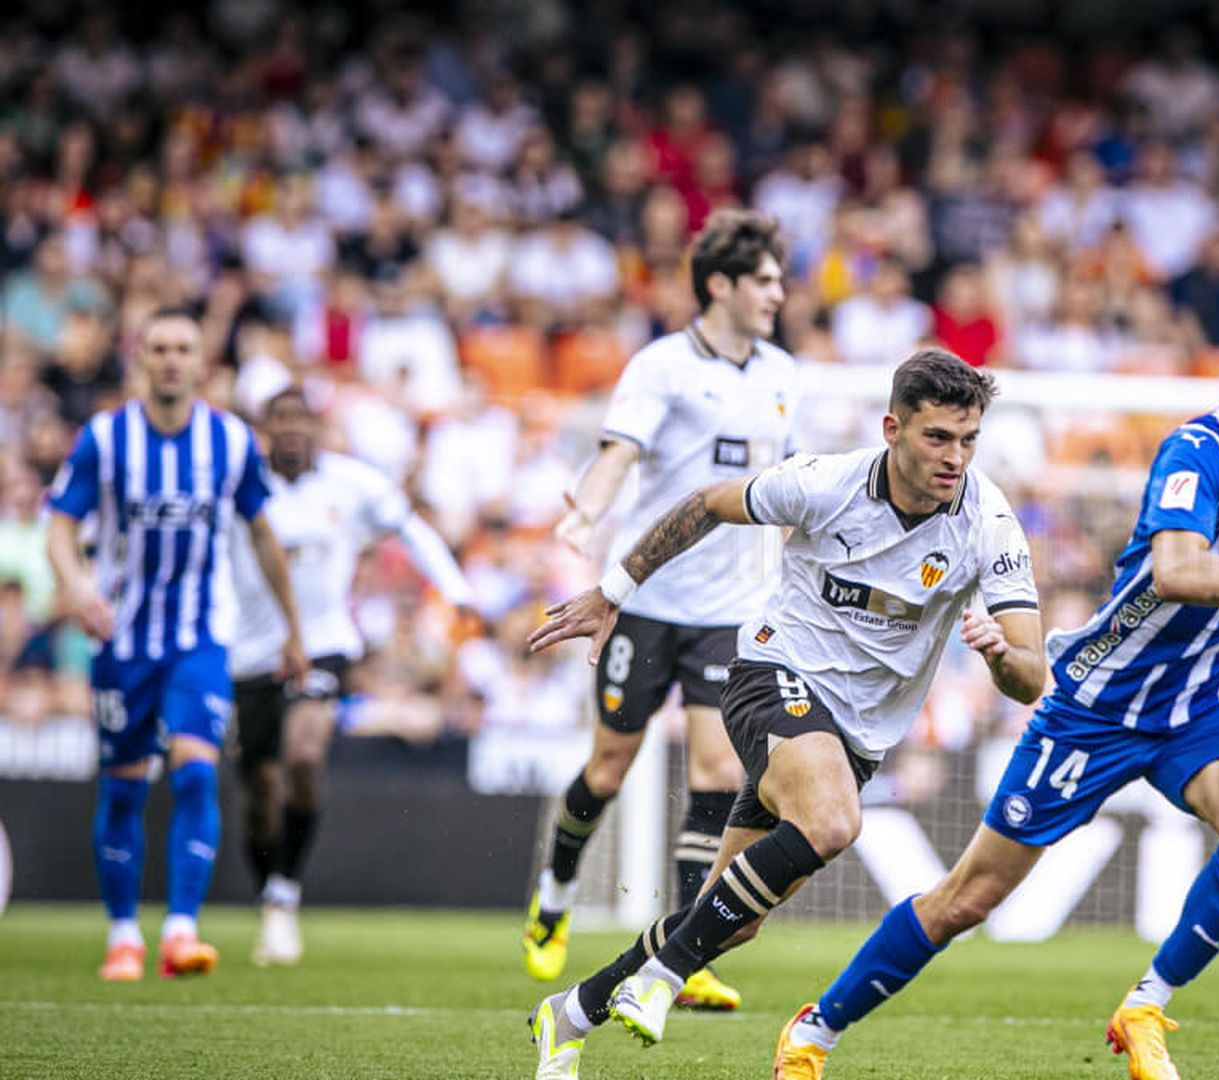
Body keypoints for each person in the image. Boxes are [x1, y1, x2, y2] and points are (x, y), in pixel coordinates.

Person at [769, 322, 1219, 1080]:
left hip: (1202, 703)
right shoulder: (1198, 455)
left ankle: (1146, 1006)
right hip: (1097, 704)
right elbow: (1176, 572)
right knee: (966, 901)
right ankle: (814, 1031)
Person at [523, 349, 1044, 1080]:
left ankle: (571, 1013)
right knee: (833, 824)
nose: (954, 457)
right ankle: (663, 979)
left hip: (857, 734)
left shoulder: (988, 522)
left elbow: (1032, 676)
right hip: (775, 673)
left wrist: (999, 657)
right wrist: (613, 590)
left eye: (968, 441)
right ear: (893, 428)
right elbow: (707, 503)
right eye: (937, 438)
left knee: (728, 918)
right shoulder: (826, 484)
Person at [520, 209, 799, 1014]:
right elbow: (620, 455)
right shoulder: (662, 365)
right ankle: (556, 887)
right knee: (609, 768)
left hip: (732, 611)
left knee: (717, 771)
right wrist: (584, 512)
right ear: (721, 284)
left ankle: (688, 949)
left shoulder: (784, 373)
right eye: (766, 280)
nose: (780, 293)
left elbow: (778, 487)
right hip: (645, 603)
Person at [45, 306, 308, 981]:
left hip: (199, 639)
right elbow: (60, 525)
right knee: (126, 788)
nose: (170, 359)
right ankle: (124, 936)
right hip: (123, 641)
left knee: (195, 770)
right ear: (141, 358)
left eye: (182, 348)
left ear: (200, 363)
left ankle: (182, 933)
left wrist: (292, 630)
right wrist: (76, 586)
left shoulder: (231, 442)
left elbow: (262, 534)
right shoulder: (105, 439)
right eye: (158, 347)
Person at [229, 386, 477, 966]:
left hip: (323, 644)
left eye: (300, 419)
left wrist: (457, 590)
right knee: (261, 792)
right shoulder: (240, 486)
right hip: (248, 653)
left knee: (305, 757)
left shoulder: (352, 483)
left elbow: (410, 529)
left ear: (317, 428)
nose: (290, 429)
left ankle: (285, 894)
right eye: (279, 419)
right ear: (265, 429)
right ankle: (272, 893)